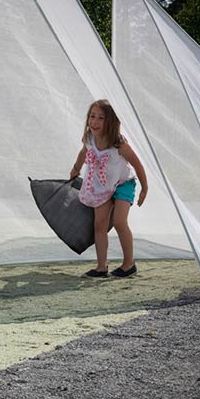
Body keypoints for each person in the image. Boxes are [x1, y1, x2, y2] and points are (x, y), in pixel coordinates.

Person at [70, 99, 147, 278]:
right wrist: (75, 169)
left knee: (119, 222)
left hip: (123, 183)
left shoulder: (119, 144)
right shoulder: (89, 138)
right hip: (102, 185)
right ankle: (101, 266)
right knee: (100, 224)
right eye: (92, 116)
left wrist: (145, 188)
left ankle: (129, 264)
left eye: (101, 118)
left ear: (110, 122)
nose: (94, 122)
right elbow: (83, 153)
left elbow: (137, 164)